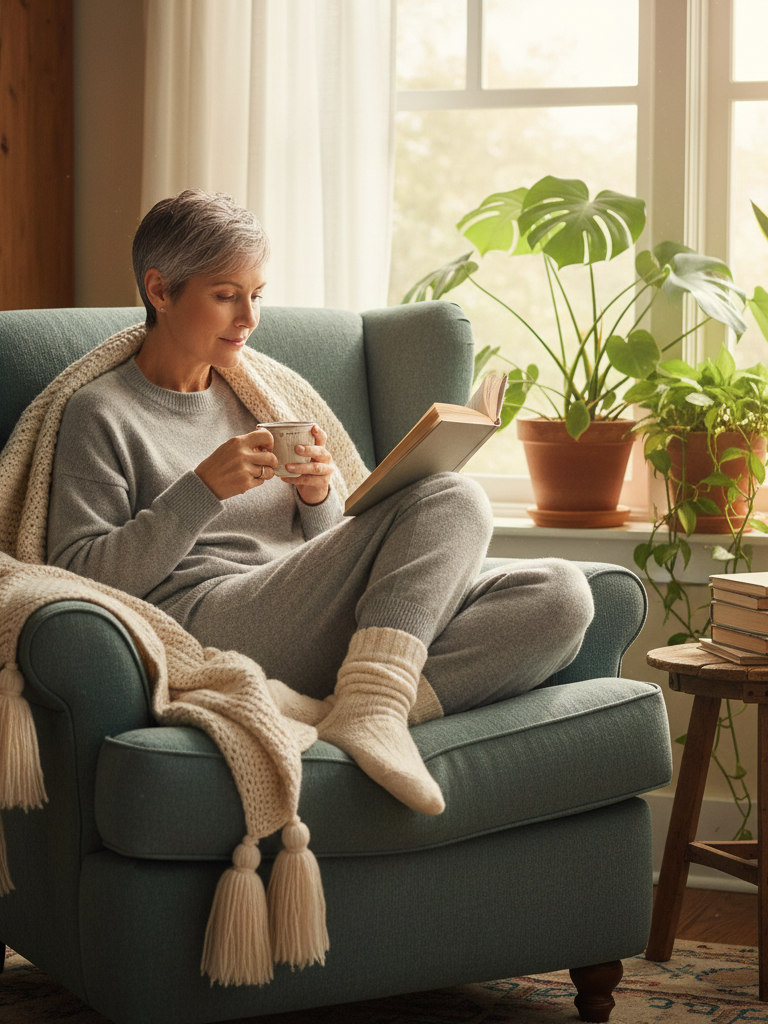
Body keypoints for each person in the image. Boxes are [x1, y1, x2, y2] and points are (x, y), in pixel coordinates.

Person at [47, 189, 595, 817]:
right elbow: (77, 575)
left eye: (257, 295)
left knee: (561, 597)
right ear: (160, 290)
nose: (248, 318)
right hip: (208, 619)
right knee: (455, 495)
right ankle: (371, 706)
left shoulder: (259, 394)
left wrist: (316, 499)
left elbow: (328, 548)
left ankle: (357, 706)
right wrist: (201, 491)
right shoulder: (101, 413)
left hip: (308, 615)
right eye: (226, 295)